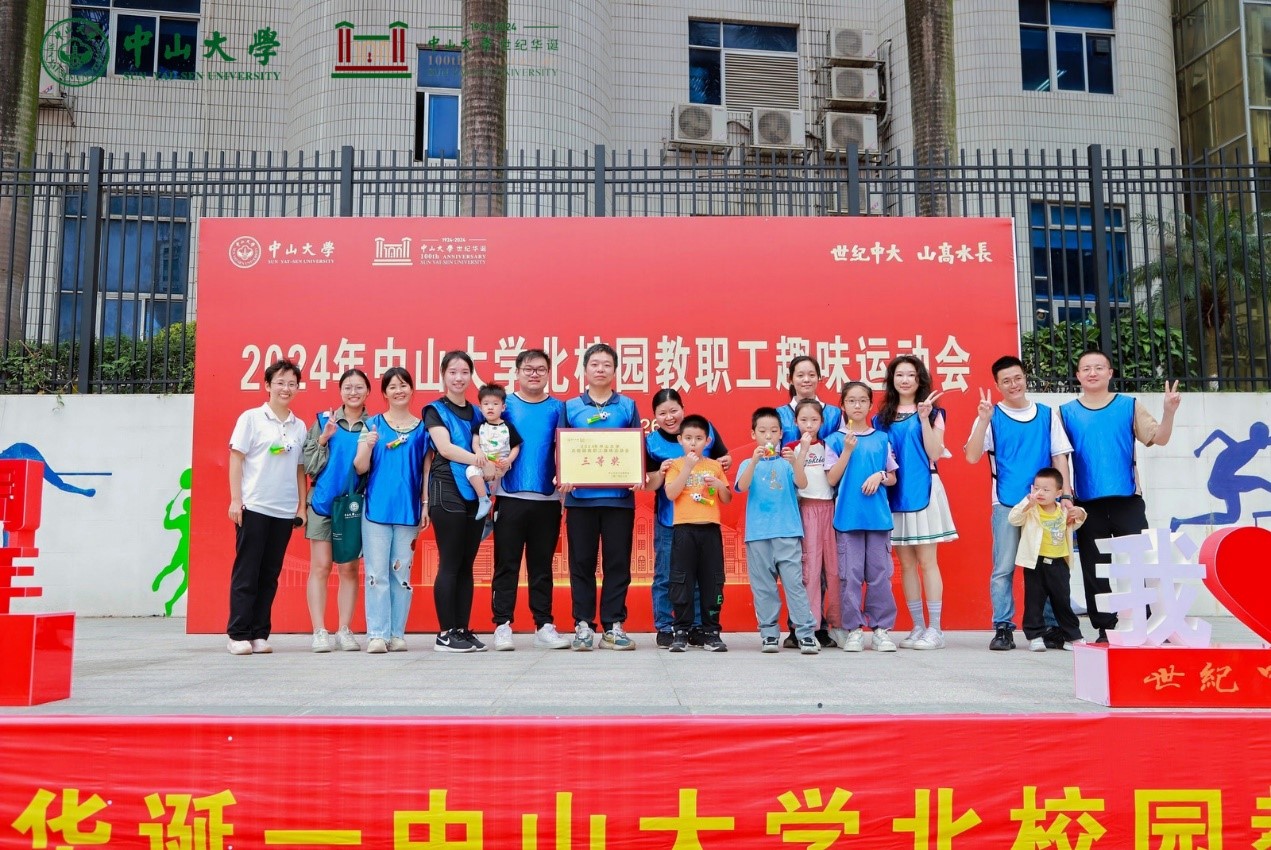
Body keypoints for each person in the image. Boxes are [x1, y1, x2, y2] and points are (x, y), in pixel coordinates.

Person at [1059, 350, 1181, 643]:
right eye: (1086, 368)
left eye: (1099, 367)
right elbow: (1060, 457)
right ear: (1078, 376)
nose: (1092, 373)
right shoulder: (1065, 412)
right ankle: (1106, 627)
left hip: (1127, 499)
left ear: (1110, 373)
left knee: (1139, 563)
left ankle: (1145, 623)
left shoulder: (1129, 405)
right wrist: (1065, 495)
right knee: (1095, 568)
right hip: (1086, 503)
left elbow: (1160, 438)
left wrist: (1169, 411)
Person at [963, 355, 1073, 652]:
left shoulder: (1047, 414)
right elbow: (971, 456)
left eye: (1017, 378)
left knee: (1047, 565)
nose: (1013, 385)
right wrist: (983, 419)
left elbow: (1060, 457)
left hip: (1046, 506)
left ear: (1026, 378)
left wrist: (1065, 496)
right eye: (1006, 381)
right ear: (997, 385)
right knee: (1004, 567)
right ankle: (1003, 627)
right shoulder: (991, 415)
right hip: (1007, 502)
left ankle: (1050, 627)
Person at [561, 342, 642, 651]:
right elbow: (560, 448)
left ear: (615, 370)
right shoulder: (571, 407)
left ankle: (613, 626)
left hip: (618, 499)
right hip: (580, 499)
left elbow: (636, 447)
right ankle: (583, 625)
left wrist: (637, 474)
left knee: (617, 563)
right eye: (594, 364)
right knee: (581, 563)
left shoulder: (627, 406)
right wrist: (562, 474)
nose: (600, 369)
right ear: (585, 369)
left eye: (607, 364)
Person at [491, 349, 571, 651]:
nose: (534, 374)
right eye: (528, 369)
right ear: (517, 372)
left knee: (542, 566)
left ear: (549, 373)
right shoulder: (504, 406)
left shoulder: (559, 408)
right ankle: (502, 625)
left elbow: (568, 447)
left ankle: (543, 625)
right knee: (506, 564)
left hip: (548, 499)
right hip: (509, 495)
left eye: (540, 369)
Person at [226, 359, 307, 656]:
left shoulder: (299, 426)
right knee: (247, 572)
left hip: (284, 511)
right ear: (267, 385)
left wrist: (301, 507)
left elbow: (300, 468)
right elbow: (236, 459)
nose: (286, 388)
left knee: (270, 574)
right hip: (255, 505)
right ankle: (238, 634)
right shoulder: (251, 418)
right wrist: (236, 499)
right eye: (280, 383)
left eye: (292, 384)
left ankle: (260, 633)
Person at [875, 355, 957, 650]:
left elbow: (934, 453)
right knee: (907, 564)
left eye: (911, 374)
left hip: (924, 489)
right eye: (899, 375)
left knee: (927, 561)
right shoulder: (880, 418)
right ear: (891, 380)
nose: (905, 380)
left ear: (920, 379)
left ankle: (936, 629)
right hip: (894, 494)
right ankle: (917, 626)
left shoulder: (934, 413)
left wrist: (924, 419)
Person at [642, 388, 731, 648]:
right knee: (666, 575)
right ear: (654, 416)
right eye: (662, 413)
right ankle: (665, 626)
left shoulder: (705, 429)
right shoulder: (650, 442)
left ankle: (696, 627)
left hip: (702, 518)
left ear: (683, 409)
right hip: (669, 518)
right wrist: (661, 472)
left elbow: (722, 459)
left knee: (699, 578)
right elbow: (648, 483)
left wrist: (725, 460)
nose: (669, 417)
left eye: (674, 410)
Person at [354, 367, 430, 654]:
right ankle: (377, 634)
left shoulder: (423, 429)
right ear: (384, 393)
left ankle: (397, 634)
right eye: (392, 387)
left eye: (403, 385)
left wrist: (425, 504)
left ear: (412, 389)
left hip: (408, 510)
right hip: (376, 509)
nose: (399, 391)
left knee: (402, 575)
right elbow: (360, 467)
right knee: (376, 573)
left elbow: (426, 471)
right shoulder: (372, 424)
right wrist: (367, 446)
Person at [734, 407, 820, 654]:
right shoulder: (747, 463)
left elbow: (802, 483)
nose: (768, 436)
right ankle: (769, 634)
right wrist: (754, 461)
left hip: (787, 532)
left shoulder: (787, 462)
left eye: (773, 431)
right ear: (753, 434)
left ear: (781, 433)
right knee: (763, 588)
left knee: (794, 585)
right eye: (762, 431)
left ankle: (805, 634)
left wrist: (796, 461)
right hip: (758, 535)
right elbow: (742, 486)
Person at [824, 381, 899, 652]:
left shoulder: (881, 438)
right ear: (843, 405)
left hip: (878, 519)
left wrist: (880, 475)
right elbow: (831, 478)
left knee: (880, 575)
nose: (857, 405)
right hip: (848, 518)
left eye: (863, 400)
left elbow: (892, 477)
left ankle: (881, 630)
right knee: (850, 576)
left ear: (870, 404)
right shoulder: (834, 440)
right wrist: (847, 450)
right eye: (851, 401)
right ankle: (853, 629)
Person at [425, 350, 490, 653]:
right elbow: (446, 448)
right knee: (450, 562)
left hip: (474, 492)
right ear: (443, 375)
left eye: (464, 372)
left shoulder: (478, 413)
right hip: (446, 489)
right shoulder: (434, 410)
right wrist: (480, 460)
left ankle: (462, 630)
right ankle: (445, 633)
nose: (459, 378)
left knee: (467, 564)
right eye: (453, 372)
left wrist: (494, 465)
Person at [302, 368, 371, 653]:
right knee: (320, 567)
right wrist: (323, 439)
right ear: (340, 391)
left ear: (368, 392)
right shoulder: (324, 420)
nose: (353, 392)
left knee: (349, 569)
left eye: (359, 387)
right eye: (348, 387)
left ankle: (344, 629)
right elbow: (309, 466)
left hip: (353, 507)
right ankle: (319, 630)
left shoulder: (374, 425)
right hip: (322, 505)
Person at [776, 355, 843, 648]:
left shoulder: (835, 414)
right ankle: (798, 626)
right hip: (794, 504)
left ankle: (824, 626)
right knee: (802, 566)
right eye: (800, 374)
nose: (806, 379)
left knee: (830, 567)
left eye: (811, 374)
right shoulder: (780, 415)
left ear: (819, 378)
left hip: (828, 502)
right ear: (790, 379)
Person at [662, 415, 732, 652]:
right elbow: (671, 493)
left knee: (712, 581)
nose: (693, 443)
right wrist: (688, 468)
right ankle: (681, 631)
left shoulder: (714, 466)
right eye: (689, 438)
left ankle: (711, 632)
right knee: (681, 580)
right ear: (680, 440)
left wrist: (719, 485)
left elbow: (726, 498)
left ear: (707, 441)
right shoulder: (675, 465)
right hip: (684, 530)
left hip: (710, 530)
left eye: (699, 438)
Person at [1008, 467, 1087, 652]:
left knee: (1062, 601)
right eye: (1036, 488)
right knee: (1034, 601)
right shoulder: (1031, 509)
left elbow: (1079, 519)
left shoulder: (1063, 511)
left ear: (1058, 493)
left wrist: (1080, 513)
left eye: (1046, 489)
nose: (1040, 493)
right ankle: (1035, 636)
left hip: (1059, 563)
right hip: (1035, 563)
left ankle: (1072, 636)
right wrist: (1027, 503)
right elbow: (1014, 519)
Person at [465, 383, 522, 522]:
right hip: (483, 463)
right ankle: (483, 501)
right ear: (480, 408)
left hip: (500, 466)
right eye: (486, 404)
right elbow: (475, 443)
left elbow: (516, 446)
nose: (490, 407)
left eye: (495, 404)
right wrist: (478, 452)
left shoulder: (508, 427)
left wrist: (509, 460)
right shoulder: (480, 427)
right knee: (471, 471)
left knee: (494, 491)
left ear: (503, 407)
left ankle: (489, 516)